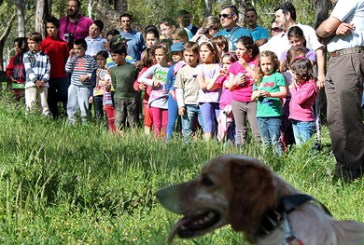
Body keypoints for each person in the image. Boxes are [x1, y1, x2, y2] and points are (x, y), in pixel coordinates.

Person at [316, 0, 364, 181]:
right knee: (335, 119)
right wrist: (332, 31)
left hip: (350, 57)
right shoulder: (338, 5)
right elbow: (320, 33)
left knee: (349, 116)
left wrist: (329, 31)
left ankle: (356, 169)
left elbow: (324, 30)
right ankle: (343, 167)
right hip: (335, 59)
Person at [260, 2, 325, 88]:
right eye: (291, 41)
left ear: (287, 15)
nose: (276, 20)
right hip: (283, 88)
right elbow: (258, 51)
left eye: (278, 16)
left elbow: (319, 51)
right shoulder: (276, 39)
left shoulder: (307, 30)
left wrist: (321, 76)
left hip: (304, 85)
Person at [251, 50, 288, 155]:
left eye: (268, 64)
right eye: (263, 64)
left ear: (274, 63)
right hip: (261, 115)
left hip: (274, 115)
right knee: (265, 141)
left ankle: (279, 160)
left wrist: (270, 94)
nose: (266, 67)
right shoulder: (258, 79)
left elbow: (284, 92)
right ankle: (267, 160)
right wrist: (257, 94)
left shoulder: (277, 76)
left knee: (275, 140)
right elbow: (252, 97)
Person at [228, 36, 260, 146]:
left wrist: (246, 66)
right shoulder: (233, 66)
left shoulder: (256, 63)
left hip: (253, 101)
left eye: (241, 49)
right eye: (236, 48)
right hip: (237, 101)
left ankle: (262, 153)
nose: (238, 51)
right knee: (240, 130)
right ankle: (241, 153)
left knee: (257, 130)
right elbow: (230, 88)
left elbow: (258, 79)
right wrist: (236, 82)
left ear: (249, 51)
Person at [139, 44, 170, 139]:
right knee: (157, 122)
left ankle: (163, 140)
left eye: (161, 54)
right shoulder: (155, 67)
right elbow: (141, 78)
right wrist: (152, 82)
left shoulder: (170, 68)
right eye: (156, 55)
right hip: (155, 100)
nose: (158, 57)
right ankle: (157, 140)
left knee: (165, 123)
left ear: (166, 55)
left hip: (167, 99)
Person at [41, 16, 70, 119]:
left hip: (62, 75)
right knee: (51, 98)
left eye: (52, 27)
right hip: (48, 76)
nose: (50, 29)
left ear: (58, 28)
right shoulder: (44, 43)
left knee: (65, 96)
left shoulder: (63, 44)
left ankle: (68, 117)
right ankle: (55, 118)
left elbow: (68, 60)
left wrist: (67, 72)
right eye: (48, 27)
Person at [175, 42, 204, 143]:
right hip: (188, 104)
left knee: (205, 127)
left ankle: (207, 146)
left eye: (191, 55)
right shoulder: (182, 71)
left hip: (202, 103)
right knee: (187, 128)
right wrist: (181, 105)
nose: (188, 58)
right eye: (186, 55)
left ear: (197, 55)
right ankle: (186, 148)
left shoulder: (202, 68)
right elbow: (179, 89)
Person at [109, 39, 139, 132]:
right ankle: (120, 137)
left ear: (122, 55)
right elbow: (114, 83)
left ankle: (135, 137)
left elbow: (137, 80)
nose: (113, 58)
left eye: (115, 55)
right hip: (119, 97)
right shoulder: (113, 70)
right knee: (119, 119)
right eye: (111, 56)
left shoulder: (133, 67)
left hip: (132, 97)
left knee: (133, 119)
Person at [65, 38, 98, 125]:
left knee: (84, 106)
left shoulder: (90, 59)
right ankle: (71, 123)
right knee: (71, 105)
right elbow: (67, 69)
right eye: (75, 48)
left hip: (84, 86)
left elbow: (96, 71)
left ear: (85, 48)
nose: (76, 51)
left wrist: (88, 76)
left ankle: (85, 123)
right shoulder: (73, 58)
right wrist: (70, 57)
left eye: (79, 49)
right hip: (73, 85)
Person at [207, 52, 237, 143]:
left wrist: (232, 84)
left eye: (228, 63)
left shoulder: (237, 76)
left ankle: (235, 148)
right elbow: (209, 87)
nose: (225, 66)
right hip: (224, 107)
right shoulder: (224, 77)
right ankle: (227, 148)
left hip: (235, 106)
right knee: (225, 128)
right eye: (223, 63)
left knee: (234, 128)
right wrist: (217, 75)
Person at [288, 57, 318, 145]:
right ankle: (303, 159)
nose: (292, 75)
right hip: (296, 119)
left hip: (304, 121)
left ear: (302, 73)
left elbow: (299, 100)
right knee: (299, 145)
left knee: (307, 146)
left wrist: (293, 88)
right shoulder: (302, 84)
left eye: (294, 73)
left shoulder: (310, 86)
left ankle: (312, 159)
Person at [196, 41, 221, 140]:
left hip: (219, 99)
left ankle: (222, 143)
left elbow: (220, 83)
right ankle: (208, 146)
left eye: (205, 51)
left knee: (221, 121)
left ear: (213, 52)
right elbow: (202, 85)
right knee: (208, 123)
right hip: (205, 99)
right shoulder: (199, 67)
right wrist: (214, 81)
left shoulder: (219, 66)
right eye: (201, 51)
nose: (202, 53)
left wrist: (209, 82)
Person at [23, 32, 51, 116]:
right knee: (30, 105)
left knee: (43, 105)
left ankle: (44, 123)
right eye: (29, 43)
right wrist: (35, 81)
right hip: (31, 84)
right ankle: (30, 123)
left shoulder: (46, 57)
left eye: (32, 43)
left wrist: (43, 81)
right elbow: (28, 69)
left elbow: (48, 70)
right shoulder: (27, 56)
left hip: (43, 84)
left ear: (39, 43)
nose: (30, 45)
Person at [133, 48, 156, 135]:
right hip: (148, 101)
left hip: (161, 100)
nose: (156, 58)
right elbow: (136, 83)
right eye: (154, 56)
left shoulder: (163, 68)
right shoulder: (145, 70)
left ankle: (160, 138)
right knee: (148, 121)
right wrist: (139, 86)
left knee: (159, 121)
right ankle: (147, 138)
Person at [166, 42, 185, 140]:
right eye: (173, 54)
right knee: (171, 121)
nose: (174, 56)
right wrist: (172, 93)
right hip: (173, 96)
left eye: (177, 53)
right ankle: (168, 141)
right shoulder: (172, 68)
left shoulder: (186, 67)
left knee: (184, 120)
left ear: (182, 53)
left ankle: (184, 139)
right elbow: (168, 85)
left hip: (186, 95)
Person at [89, 50, 110, 123]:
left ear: (106, 59)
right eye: (98, 59)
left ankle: (108, 127)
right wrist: (91, 95)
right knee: (98, 113)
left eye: (102, 59)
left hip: (107, 95)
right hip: (97, 94)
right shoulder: (95, 71)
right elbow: (92, 84)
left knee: (107, 112)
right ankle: (99, 127)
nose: (99, 61)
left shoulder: (109, 70)